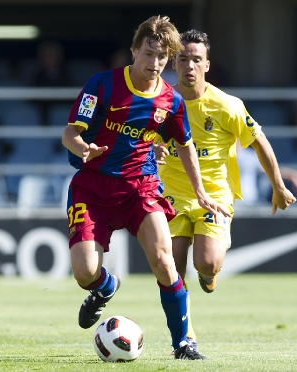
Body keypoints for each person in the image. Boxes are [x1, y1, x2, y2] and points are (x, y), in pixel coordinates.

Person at [62, 16, 230, 360]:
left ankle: (183, 343)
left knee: (164, 262)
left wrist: (200, 192)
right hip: (93, 188)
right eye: (149, 54)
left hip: (141, 187)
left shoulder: (171, 101)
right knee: (84, 272)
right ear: (134, 51)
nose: (155, 64)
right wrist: (84, 149)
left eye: (162, 57)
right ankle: (104, 288)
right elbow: (70, 134)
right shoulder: (103, 85)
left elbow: (183, 145)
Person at [155, 30, 296, 349]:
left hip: (214, 195)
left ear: (206, 65)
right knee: (171, 267)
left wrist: (278, 186)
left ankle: (208, 275)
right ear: (174, 63)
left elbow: (258, 140)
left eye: (196, 60)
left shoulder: (226, 105)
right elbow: (141, 137)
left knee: (205, 262)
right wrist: (153, 150)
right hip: (171, 194)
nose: (189, 65)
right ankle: (185, 336)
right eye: (183, 59)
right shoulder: (160, 102)